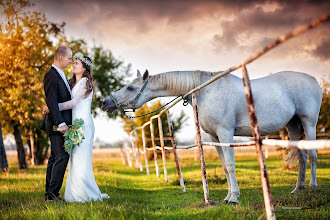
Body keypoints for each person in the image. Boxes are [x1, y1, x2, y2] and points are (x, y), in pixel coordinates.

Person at [44, 52, 110, 203]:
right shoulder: (73, 82)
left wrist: (52, 107)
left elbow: (73, 104)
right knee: (75, 158)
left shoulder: (86, 82)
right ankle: (75, 193)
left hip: (84, 125)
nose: (73, 65)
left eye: (76, 63)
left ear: (84, 68)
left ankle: (84, 193)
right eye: (73, 62)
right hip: (75, 125)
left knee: (81, 159)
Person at [41, 46, 72, 202]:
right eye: (69, 58)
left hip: (58, 124)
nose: (71, 61)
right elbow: (51, 102)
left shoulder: (60, 75)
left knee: (55, 158)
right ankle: (52, 195)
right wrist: (61, 124)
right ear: (61, 58)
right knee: (62, 157)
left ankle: (49, 194)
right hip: (56, 125)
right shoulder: (51, 75)